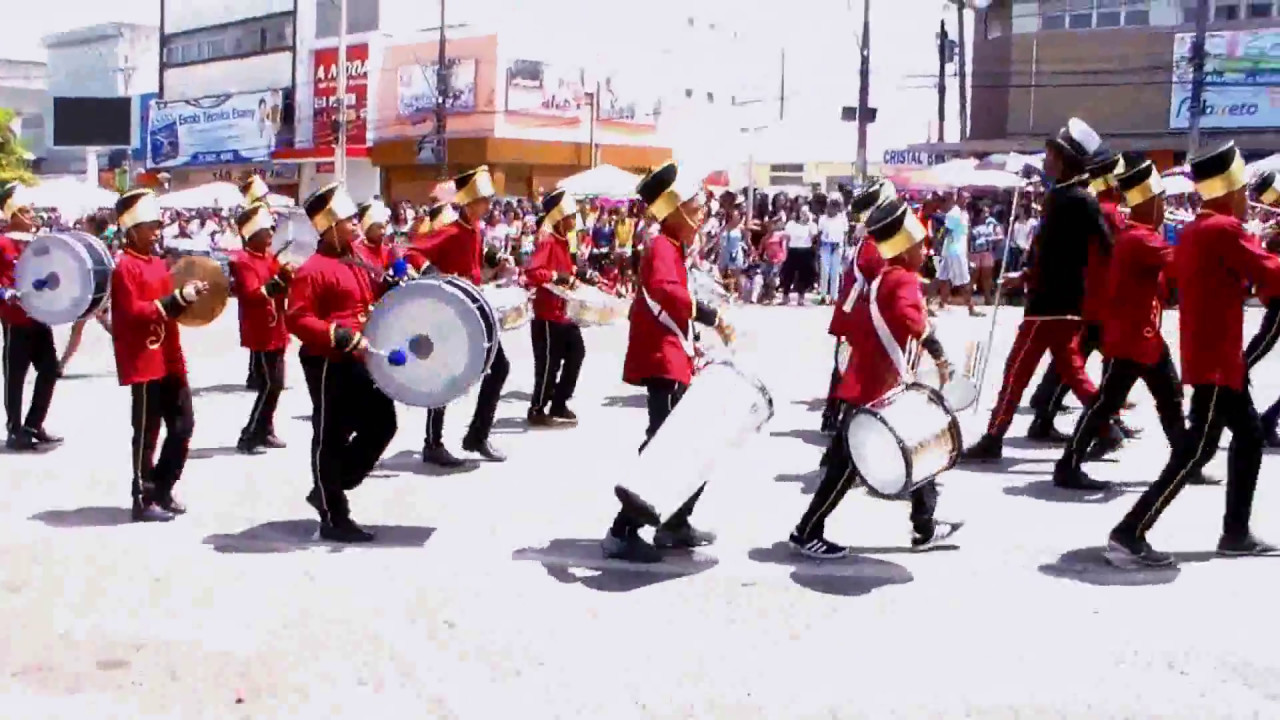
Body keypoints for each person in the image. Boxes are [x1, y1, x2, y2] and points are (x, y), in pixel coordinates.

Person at [1106, 141, 1280, 568]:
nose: (1246, 201)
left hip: (1216, 358)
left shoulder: (1198, 231)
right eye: (1242, 193)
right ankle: (1130, 531)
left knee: (1251, 439)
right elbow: (1270, 275)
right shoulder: (1222, 229)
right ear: (1228, 191)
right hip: (1217, 361)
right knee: (1194, 452)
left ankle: (1235, 532)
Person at [791, 198, 963, 557]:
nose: (924, 249)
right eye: (920, 244)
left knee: (915, 449)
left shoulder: (884, 277)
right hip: (876, 386)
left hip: (870, 379)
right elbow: (908, 318)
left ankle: (924, 526)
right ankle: (807, 531)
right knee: (847, 464)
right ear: (904, 247)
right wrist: (936, 348)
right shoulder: (902, 280)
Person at [604, 161, 735, 563]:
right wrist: (711, 317)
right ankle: (622, 529)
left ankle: (675, 521)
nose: (701, 219)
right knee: (666, 448)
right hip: (662, 357)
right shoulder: (662, 246)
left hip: (673, 354)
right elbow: (664, 290)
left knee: (690, 443)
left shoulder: (672, 246)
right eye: (695, 212)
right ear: (675, 212)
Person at [962, 118, 1109, 466]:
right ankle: (1106, 426)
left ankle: (994, 436)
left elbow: (1051, 257)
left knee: (1016, 372)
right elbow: (1098, 249)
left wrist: (1027, 276)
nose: (1045, 160)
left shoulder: (1061, 198)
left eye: (1050, 154)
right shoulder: (1084, 199)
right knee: (1072, 372)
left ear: (1063, 160)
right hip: (1070, 302)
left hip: (1046, 304)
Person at [1052, 160, 1198, 490]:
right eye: (1160, 200)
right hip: (1132, 338)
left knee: (1170, 396)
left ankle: (1186, 460)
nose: (1165, 207)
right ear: (1147, 201)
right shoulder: (1140, 238)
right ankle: (1068, 464)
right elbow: (1179, 263)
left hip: (1144, 336)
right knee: (1107, 403)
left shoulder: (1137, 235)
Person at [286, 182, 398, 543]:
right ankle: (333, 514)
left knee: (383, 422)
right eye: (349, 220)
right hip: (328, 361)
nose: (355, 225)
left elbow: (368, 297)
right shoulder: (313, 270)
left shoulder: (357, 258)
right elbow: (297, 318)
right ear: (329, 226)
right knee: (330, 435)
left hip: (362, 357)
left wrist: (395, 288)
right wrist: (338, 335)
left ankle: (330, 484)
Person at [403, 166, 509, 466]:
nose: (489, 207)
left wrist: (492, 258)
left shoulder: (474, 229)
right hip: (449, 313)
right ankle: (433, 444)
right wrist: (428, 269)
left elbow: (472, 261)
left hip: (475, 309)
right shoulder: (449, 230)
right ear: (468, 202)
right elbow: (410, 251)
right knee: (444, 376)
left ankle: (477, 435)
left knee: (498, 368)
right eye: (484, 201)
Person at [111, 189, 205, 522]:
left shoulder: (157, 262)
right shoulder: (124, 267)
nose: (155, 231)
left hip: (168, 354)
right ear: (132, 229)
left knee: (183, 424)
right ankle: (142, 496)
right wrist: (172, 300)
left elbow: (170, 306)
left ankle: (163, 486)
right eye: (149, 226)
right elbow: (131, 312)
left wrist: (189, 296)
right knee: (147, 431)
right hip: (144, 357)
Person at [1026, 150, 1129, 441]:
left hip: (1094, 297)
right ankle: (1104, 420)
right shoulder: (1105, 209)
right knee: (1089, 363)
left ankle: (1051, 411)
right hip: (1098, 298)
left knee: (1076, 361)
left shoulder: (1100, 206)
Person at [821, 181, 893, 436]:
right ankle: (839, 420)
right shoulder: (873, 242)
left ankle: (833, 415)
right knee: (850, 367)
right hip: (859, 312)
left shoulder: (868, 237)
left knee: (845, 366)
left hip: (853, 310)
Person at [0, 182, 63, 451]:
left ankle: (33, 424)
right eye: (25, 211)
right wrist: (6, 293)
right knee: (15, 376)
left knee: (50, 369)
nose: (32, 216)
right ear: (13, 215)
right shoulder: (2, 243)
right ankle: (15, 429)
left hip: (40, 316)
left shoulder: (40, 244)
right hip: (16, 319)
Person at [523, 189, 592, 427]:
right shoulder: (549, 241)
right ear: (560, 218)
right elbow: (532, 273)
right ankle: (537, 408)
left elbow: (564, 271)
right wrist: (557, 275)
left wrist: (576, 275)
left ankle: (559, 402)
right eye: (571, 215)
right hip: (547, 315)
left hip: (564, 312)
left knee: (577, 354)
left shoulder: (563, 241)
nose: (575, 220)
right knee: (549, 365)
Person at [228, 202, 291, 455]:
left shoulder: (267, 257)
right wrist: (280, 280)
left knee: (276, 383)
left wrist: (289, 277)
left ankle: (265, 429)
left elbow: (281, 285)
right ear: (252, 234)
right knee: (270, 384)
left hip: (277, 326)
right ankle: (249, 435)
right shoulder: (244, 261)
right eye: (266, 232)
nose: (270, 236)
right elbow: (253, 294)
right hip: (261, 328)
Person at [1241, 170, 1280, 446]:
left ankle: (1269, 419)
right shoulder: (1274, 219)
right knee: (1258, 348)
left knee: (1258, 347)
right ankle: (1225, 390)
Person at [816, 197, 849, 304]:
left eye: (835, 206)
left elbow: (845, 235)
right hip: (826, 246)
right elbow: (819, 234)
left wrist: (845, 248)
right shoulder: (822, 219)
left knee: (835, 272)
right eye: (830, 206)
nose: (832, 209)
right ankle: (823, 295)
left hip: (837, 246)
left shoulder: (842, 219)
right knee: (824, 272)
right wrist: (818, 248)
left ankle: (834, 297)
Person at [355, 200, 398, 271]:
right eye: (379, 228)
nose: (383, 232)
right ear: (367, 229)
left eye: (384, 227)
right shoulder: (357, 254)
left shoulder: (388, 251)